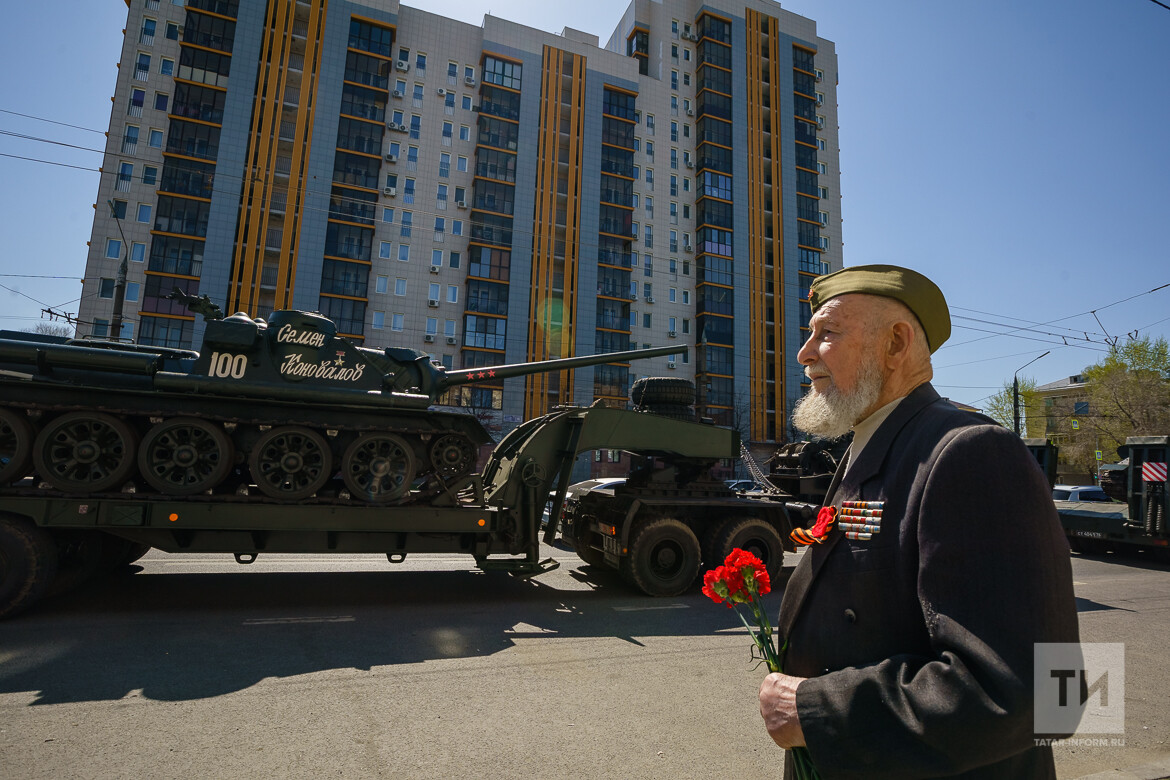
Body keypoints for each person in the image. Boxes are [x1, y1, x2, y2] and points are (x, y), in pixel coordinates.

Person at [759, 264, 1080, 779]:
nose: (805, 353)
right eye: (809, 334)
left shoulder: (973, 452)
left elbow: (1050, 693)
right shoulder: (868, 452)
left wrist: (816, 710)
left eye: (828, 333)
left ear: (895, 344)